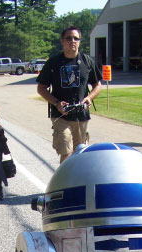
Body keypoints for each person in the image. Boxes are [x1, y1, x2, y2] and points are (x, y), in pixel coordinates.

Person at [37, 26, 102, 163]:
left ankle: (78, 182)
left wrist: (89, 98)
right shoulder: (53, 63)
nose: (72, 41)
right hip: (61, 115)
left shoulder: (87, 61)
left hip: (81, 116)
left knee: (80, 152)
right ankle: (63, 183)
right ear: (62, 41)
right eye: (68, 38)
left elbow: (97, 85)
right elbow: (41, 88)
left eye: (76, 38)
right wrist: (56, 103)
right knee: (66, 151)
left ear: (79, 42)